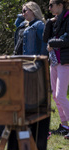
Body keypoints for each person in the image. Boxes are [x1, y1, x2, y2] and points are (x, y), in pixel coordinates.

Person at [43, 0, 69, 136]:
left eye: (51, 5)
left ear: (60, 5)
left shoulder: (68, 18)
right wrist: (49, 22)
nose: (49, 8)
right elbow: (45, 38)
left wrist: (52, 43)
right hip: (54, 62)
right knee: (55, 96)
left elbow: (66, 40)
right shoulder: (54, 21)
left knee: (60, 95)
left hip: (65, 62)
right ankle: (65, 125)